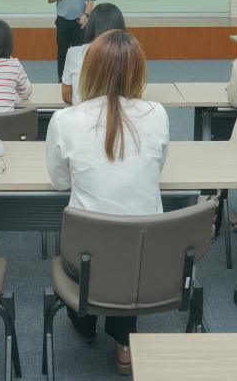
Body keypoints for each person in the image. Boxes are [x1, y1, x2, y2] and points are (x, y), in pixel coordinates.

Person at [46, 30, 169, 373]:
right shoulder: (158, 113)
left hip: (88, 259)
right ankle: (125, 346)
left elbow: (59, 182)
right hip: (146, 257)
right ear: (138, 72)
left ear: (89, 70)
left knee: (92, 245)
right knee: (130, 244)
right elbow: (156, 167)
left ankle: (85, 326)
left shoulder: (65, 120)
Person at [61, 2, 126, 105]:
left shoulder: (73, 53)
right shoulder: (130, 53)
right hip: (118, 117)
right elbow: (135, 94)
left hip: (82, 117)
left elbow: (66, 95)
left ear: (91, 27)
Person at [46, 0, 95, 80]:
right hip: (62, 21)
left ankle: (80, 77)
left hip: (79, 22)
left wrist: (86, 15)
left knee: (79, 52)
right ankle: (61, 77)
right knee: (62, 51)